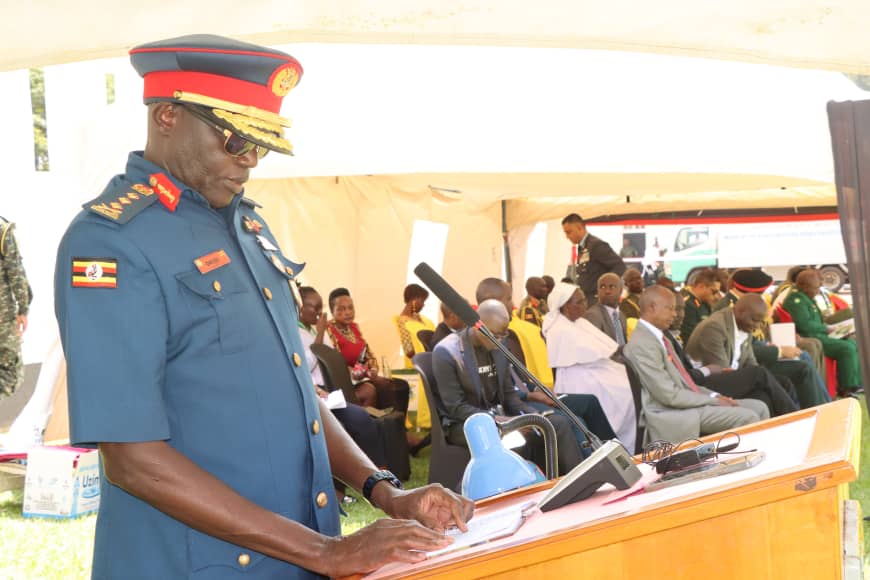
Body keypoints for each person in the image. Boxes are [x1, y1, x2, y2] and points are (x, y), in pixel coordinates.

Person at [54, 35, 471, 580]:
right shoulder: (110, 243)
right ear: (167, 116)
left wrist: (384, 491)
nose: (249, 160)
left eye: (260, 142)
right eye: (234, 139)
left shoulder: (248, 225)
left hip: (299, 557)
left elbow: (297, 396)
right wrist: (325, 551)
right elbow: (133, 459)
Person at [433, 300, 585, 475]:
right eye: (496, 335)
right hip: (465, 423)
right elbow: (456, 408)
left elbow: (509, 395)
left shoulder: (500, 345)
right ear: (478, 326)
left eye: (504, 334)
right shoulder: (446, 352)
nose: (500, 340)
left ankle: (575, 481)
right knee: (515, 436)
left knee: (555, 423)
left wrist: (534, 416)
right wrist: (500, 421)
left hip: (499, 415)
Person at [623, 286, 769, 443]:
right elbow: (669, 396)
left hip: (687, 404)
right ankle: (751, 457)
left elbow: (685, 382)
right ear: (652, 307)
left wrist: (715, 395)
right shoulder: (643, 344)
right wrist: (714, 401)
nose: (674, 314)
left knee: (760, 407)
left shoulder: (658, 338)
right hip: (672, 413)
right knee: (749, 417)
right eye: (670, 308)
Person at [299, 286, 386, 469]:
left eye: (320, 307)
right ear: (300, 307)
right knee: (354, 420)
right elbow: (307, 364)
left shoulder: (316, 329)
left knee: (364, 417)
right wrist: (321, 333)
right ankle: (370, 469)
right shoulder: (296, 332)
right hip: (314, 393)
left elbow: (332, 359)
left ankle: (378, 469)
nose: (319, 313)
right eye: (314, 307)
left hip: (331, 389)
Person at [542, 282, 637, 448]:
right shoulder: (559, 328)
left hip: (595, 368)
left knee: (630, 381)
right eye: (579, 302)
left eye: (584, 300)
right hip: (578, 377)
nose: (585, 305)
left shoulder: (579, 321)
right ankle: (619, 443)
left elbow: (604, 349)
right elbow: (587, 353)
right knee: (624, 392)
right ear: (565, 305)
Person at [683, 295, 800, 416]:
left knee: (780, 385)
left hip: (731, 379)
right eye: (754, 320)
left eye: (760, 322)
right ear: (740, 312)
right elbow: (722, 370)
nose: (757, 326)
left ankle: (787, 423)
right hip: (706, 383)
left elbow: (751, 362)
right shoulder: (714, 326)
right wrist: (751, 377)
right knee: (759, 373)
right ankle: (796, 417)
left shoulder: (745, 325)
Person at [715, 268, 825, 382]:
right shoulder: (732, 308)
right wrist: (779, 351)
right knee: (803, 364)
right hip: (751, 361)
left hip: (764, 346)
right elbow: (744, 346)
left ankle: (823, 393)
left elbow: (759, 333)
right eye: (762, 292)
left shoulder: (744, 303)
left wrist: (782, 339)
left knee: (805, 354)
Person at [326, 287, 412, 414]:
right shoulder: (329, 330)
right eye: (341, 309)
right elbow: (337, 362)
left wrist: (373, 370)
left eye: (350, 308)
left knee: (399, 385)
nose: (348, 312)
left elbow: (368, 354)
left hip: (362, 376)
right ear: (332, 311)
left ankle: (393, 422)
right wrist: (364, 374)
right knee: (375, 388)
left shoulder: (354, 327)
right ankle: (374, 423)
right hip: (345, 381)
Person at [784, 270, 863, 396]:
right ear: (805, 287)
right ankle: (847, 387)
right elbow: (804, 325)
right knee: (846, 348)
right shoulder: (796, 301)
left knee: (854, 342)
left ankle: (857, 382)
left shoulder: (806, 297)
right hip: (810, 336)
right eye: (816, 288)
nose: (818, 291)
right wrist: (826, 329)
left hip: (819, 333)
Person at [476, 278, 554, 388]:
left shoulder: (511, 331)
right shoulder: (508, 335)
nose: (512, 304)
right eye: (509, 299)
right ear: (493, 303)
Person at [561, 213, 626, 305]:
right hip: (587, 299)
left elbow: (619, 266)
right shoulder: (582, 247)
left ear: (579, 228)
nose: (567, 237)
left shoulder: (596, 245)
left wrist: (606, 288)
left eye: (569, 232)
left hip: (597, 299)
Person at [0, 217, 31, 398]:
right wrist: (23, 309)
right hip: (2, 319)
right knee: (10, 373)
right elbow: (15, 273)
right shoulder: (2, 230)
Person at [394, 283, 435, 366]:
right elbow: (408, 351)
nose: (423, 305)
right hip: (416, 367)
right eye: (422, 301)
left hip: (430, 362)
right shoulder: (402, 322)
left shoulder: (423, 319)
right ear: (414, 300)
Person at [583, 273, 628, 345]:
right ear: (598, 291)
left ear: (621, 291)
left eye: (612, 287)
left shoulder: (622, 316)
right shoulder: (593, 315)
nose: (607, 291)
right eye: (602, 287)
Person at [680, 268, 718, 342]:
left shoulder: (704, 303)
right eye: (713, 292)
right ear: (701, 286)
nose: (716, 296)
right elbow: (690, 336)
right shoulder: (688, 305)